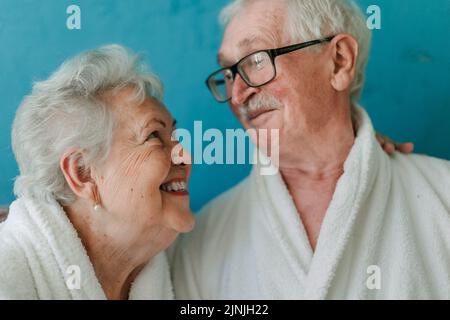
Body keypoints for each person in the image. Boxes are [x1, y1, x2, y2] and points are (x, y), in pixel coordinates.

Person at [170, 0, 450, 299]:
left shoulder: (441, 196)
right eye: (228, 72)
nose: (238, 95)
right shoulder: (202, 241)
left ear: (339, 61)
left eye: (257, 59)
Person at [0, 45, 195, 299]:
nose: (186, 156)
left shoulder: (180, 267)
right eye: (154, 136)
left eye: (176, 136)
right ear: (83, 174)